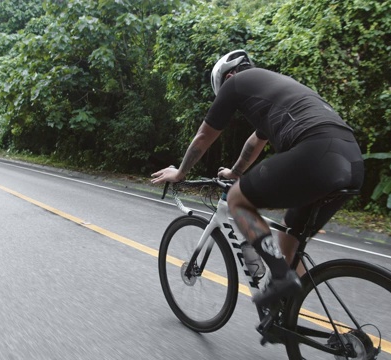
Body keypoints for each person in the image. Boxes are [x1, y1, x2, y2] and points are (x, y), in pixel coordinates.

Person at [151, 49, 364, 306]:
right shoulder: (275, 90)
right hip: (352, 160)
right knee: (289, 240)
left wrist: (181, 173)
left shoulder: (236, 83)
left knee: (237, 199)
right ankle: (296, 320)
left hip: (318, 152)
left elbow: (204, 136)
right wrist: (235, 172)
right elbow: (256, 141)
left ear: (229, 76)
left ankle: (282, 278)